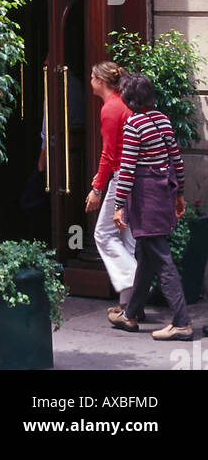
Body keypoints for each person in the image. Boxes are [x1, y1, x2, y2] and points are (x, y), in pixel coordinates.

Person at [110, 72, 192, 341]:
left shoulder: (134, 124)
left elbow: (128, 169)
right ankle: (131, 315)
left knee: (161, 259)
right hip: (164, 193)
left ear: (129, 98)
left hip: (145, 198)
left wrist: (119, 205)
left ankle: (181, 323)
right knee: (146, 254)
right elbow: (176, 160)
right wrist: (179, 193)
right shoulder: (163, 120)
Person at [84, 60, 137, 321]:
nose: (90, 82)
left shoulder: (110, 108)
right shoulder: (123, 104)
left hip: (122, 177)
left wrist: (97, 187)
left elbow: (108, 154)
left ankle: (137, 280)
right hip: (135, 177)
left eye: (92, 78)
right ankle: (129, 306)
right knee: (127, 238)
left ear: (101, 81)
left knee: (103, 234)